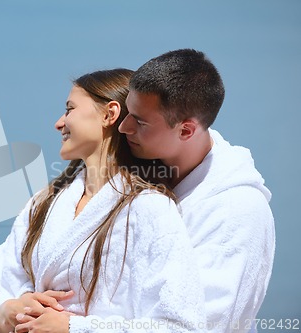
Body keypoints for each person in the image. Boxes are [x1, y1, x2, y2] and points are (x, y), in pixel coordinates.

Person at [0, 69, 206, 333]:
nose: (59, 123)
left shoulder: (149, 208)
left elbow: (180, 326)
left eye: (69, 109)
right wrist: (8, 311)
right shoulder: (44, 203)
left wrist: (74, 327)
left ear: (109, 114)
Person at [118, 49, 275, 332]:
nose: (123, 126)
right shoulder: (140, 174)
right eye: (128, 112)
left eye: (139, 121)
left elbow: (199, 323)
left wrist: (78, 326)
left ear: (187, 130)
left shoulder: (237, 212)